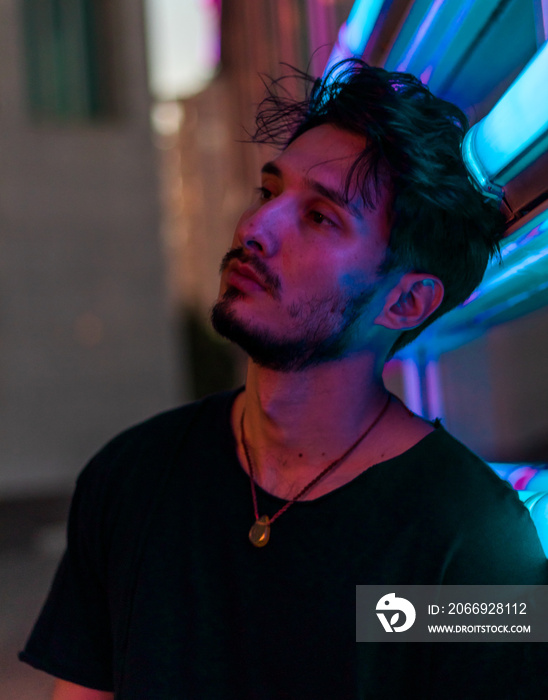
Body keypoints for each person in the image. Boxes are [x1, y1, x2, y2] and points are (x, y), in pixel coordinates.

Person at [20, 60, 547, 699]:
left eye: (320, 217)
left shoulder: (474, 545)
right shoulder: (131, 477)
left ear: (405, 303)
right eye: (271, 195)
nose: (255, 229)